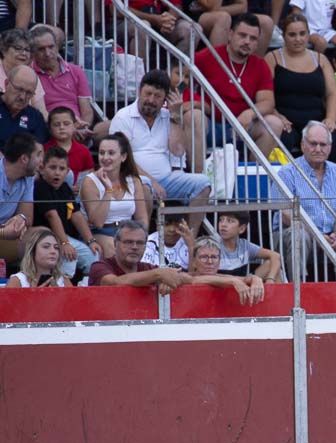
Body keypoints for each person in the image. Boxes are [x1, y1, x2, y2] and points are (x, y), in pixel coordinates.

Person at [181, 14, 286, 172]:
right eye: (242, 35)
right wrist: (199, 103)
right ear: (230, 34)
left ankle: (252, 175)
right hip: (211, 125)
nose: (247, 42)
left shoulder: (260, 65)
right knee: (193, 116)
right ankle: (201, 181)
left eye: (253, 38)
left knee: (274, 123)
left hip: (243, 127)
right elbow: (181, 82)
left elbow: (267, 102)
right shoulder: (208, 56)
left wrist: (250, 113)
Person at [270, 121, 336, 280]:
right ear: (303, 145)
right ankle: (300, 293)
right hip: (297, 233)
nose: (318, 149)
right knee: (299, 236)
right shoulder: (287, 172)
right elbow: (286, 215)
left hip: (331, 233)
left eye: (323, 144)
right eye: (313, 144)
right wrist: (317, 234)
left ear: (330, 147)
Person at [109, 70, 212, 219]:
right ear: (140, 91)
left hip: (167, 179)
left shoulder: (167, 116)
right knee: (144, 185)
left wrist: (175, 116)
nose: (151, 100)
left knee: (203, 183)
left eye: (157, 96)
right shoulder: (123, 116)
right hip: (134, 179)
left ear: (165, 98)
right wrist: (152, 182)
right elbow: (121, 159)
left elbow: (177, 151)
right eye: (148, 94)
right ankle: (143, 237)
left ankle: (191, 238)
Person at [267, 15, 336, 172]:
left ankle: (326, 185)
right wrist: (277, 115)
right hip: (287, 123)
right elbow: (265, 94)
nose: (298, 39)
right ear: (283, 35)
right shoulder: (272, 59)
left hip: (316, 121)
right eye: (292, 35)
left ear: (308, 34)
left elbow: (332, 94)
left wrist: (330, 119)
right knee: (281, 141)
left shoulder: (321, 59)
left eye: (302, 34)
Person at [33, 145, 101, 281]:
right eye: (52, 168)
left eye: (61, 169)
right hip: (45, 236)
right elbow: (52, 216)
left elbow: (76, 215)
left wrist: (91, 241)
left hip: (65, 238)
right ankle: (62, 289)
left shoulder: (65, 188)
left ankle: (85, 290)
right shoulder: (40, 187)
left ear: (67, 171)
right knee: (69, 256)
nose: (57, 173)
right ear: (42, 168)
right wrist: (64, 243)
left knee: (93, 257)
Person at [80, 134, 151, 259]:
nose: (105, 157)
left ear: (123, 157)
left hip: (129, 231)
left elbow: (142, 219)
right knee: (115, 250)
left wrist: (141, 238)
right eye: (102, 153)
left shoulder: (133, 181)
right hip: (102, 232)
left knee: (147, 250)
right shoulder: (90, 181)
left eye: (111, 153)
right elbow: (97, 222)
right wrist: (108, 190)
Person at [88, 219, 190, 294]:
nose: (134, 247)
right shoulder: (100, 266)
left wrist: (170, 280)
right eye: (128, 242)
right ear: (115, 244)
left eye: (140, 243)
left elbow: (188, 279)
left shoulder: (147, 268)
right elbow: (115, 283)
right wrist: (160, 275)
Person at [28, 25, 92, 135]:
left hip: (78, 127)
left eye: (51, 47)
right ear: (33, 53)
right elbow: (39, 113)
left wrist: (83, 127)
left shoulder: (76, 71)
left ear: (57, 47)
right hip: (49, 128)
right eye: (41, 49)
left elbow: (86, 110)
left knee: (107, 127)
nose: (48, 53)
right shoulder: (29, 74)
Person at [186, 236, 267, 304]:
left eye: (214, 257)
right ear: (194, 261)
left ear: (219, 260)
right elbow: (194, 280)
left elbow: (243, 279)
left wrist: (255, 279)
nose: (210, 262)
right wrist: (232, 281)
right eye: (204, 257)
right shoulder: (188, 277)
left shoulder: (220, 277)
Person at [0, 131, 38, 266]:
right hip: (3, 234)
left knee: (43, 237)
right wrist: (4, 233)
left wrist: (20, 218)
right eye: (37, 156)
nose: (40, 161)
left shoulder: (28, 177)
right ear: (24, 159)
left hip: (8, 234)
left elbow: (28, 218)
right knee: (39, 247)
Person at [215, 211, 282, 281]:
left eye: (230, 221)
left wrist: (270, 279)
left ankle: (276, 291)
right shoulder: (212, 245)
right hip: (219, 287)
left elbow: (275, 255)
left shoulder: (245, 246)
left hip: (244, 286)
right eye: (221, 220)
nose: (223, 224)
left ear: (242, 229)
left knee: (271, 264)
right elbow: (207, 275)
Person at [0, 29, 46, 118]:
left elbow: (41, 112)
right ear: (4, 50)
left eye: (27, 50)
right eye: (18, 48)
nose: (24, 53)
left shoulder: (30, 76)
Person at [4, 226, 70, 287]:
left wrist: (59, 294)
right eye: (46, 246)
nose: (53, 251)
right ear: (32, 251)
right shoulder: (18, 281)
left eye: (56, 247)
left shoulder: (64, 281)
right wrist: (36, 294)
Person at [44, 106, 94, 187]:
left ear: (74, 126)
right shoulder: (45, 150)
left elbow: (90, 176)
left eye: (66, 124)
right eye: (57, 124)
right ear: (50, 128)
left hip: (77, 195)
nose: (62, 127)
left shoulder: (83, 151)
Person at [0, 64, 47, 143]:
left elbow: (39, 149)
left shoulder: (35, 117)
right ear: (7, 83)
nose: (22, 97)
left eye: (29, 93)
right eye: (19, 89)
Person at [143, 201, 194, 269]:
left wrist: (191, 247)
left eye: (177, 224)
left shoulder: (189, 243)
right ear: (157, 224)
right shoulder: (148, 243)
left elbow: (194, 274)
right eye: (167, 224)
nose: (172, 229)